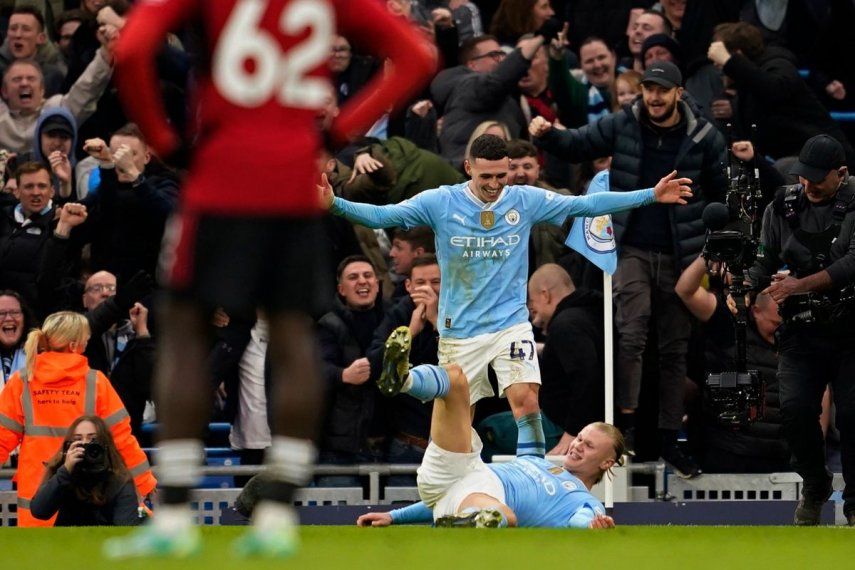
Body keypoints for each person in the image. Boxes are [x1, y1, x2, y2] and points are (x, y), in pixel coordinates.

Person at [107, 0, 437, 558]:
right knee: (292, 333)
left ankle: (174, 516)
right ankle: (280, 511)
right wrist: (338, 133)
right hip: (291, 179)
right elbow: (415, 53)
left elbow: (135, 47)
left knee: (187, 332)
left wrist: (165, 144)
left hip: (220, 177)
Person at [321, 133, 693, 462]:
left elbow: (584, 205)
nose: (495, 184)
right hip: (459, 330)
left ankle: (530, 474)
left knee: (526, 399)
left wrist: (651, 196)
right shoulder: (441, 202)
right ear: (468, 168)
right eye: (486, 177)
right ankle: (402, 378)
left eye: (502, 175)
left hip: (510, 325)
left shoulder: (524, 200)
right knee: (454, 408)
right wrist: (336, 204)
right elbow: (382, 215)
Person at [530, 61, 726, 476]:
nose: (653, 97)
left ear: (678, 93)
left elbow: (722, 192)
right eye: (648, 89)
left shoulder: (705, 137)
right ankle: (629, 427)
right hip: (631, 246)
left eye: (662, 90)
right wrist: (549, 135)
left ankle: (671, 436)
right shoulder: (623, 123)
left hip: (682, 254)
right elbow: (578, 143)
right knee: (631, 332)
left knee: (674, 347)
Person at [356, 328, 621, 528]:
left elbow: (582, 520)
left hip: (468, 497)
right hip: (462, 471)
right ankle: (403, 380)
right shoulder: (536, 459)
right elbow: (529, 410)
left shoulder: (582, 501)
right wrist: (393, 515)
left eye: (589, 445)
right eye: (580, 439)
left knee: (505, 516)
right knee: (457, 377)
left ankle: (463, 522)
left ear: (607, 462)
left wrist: (591, 525)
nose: (577, 446)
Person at [748, 134, 855, 526]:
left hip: (850, 330)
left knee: (854, 416)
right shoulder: (783, 204)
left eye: (817, 179)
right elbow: (765, 256)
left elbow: (852, 264)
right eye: (802, 177)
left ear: (841, 174)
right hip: (801, 331)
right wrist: (746, 287)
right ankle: (815, 483)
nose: (807, 185)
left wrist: (799, 285)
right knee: (792, 411)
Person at [0, 310, 155, 527]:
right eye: (86, 341)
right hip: (85, 497)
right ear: (75, 345)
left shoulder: (22, 381)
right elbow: (122, 440)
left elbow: (1, 438)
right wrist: (146, 484)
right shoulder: (96, 383)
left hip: (38, 499)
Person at [675, 255, 787, 473]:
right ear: (755, 311)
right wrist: (708, 254)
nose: (779, 331)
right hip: (729, 454)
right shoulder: (729, 320)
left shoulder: (796, 329)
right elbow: (685, 290)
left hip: (781, 456)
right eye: (774, 324)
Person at [316, 255, 387, 480]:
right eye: (353, 277)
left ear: (377, 283)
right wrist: (343, 374)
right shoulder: (327, 324)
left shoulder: (394, 319)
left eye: (368, 276)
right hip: (339, 448)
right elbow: (314, 372)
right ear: (341, 289)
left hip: (387, 444)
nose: (362, 281)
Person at [430, 33, 544, 168]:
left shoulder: (508, 96)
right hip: (467, 175)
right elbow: (496, 83)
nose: (501, 60)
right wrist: (537, 40)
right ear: (473, 64)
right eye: (494, 55)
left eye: (502, 55)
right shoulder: (469, 86)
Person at [527, 264, 604, 455]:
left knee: (491, 430)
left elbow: (587, 378)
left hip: (563, 427)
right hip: (583, 422)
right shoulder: (592, 314)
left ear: (545, 295)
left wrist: (572, 433)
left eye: (532, 302)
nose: (532, 310)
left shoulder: (566, 325)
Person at [30, 415, 142, 526]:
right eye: (78, 439)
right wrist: (65, 471)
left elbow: (125, 528)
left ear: (105, 444)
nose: (85, 444)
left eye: (93, 439)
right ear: (69, 446)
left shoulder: (119, 479)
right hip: (67, 541)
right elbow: (39, 511)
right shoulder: (64, 474)